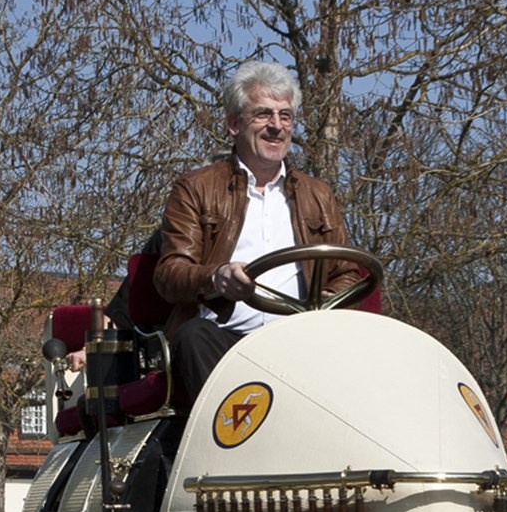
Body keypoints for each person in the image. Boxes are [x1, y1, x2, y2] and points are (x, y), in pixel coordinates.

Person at [153, 60, 360, 412]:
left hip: (300, 340)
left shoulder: (318, 195)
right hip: (226, 341)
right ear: (234, 123)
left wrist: (324, 304)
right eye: (263, 115)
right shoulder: (196, 188)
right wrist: (215, 278)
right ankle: (229, 443)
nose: (277, 127)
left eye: (285, 116)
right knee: (192, 337)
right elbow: (170, 272)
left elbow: (349, 273)